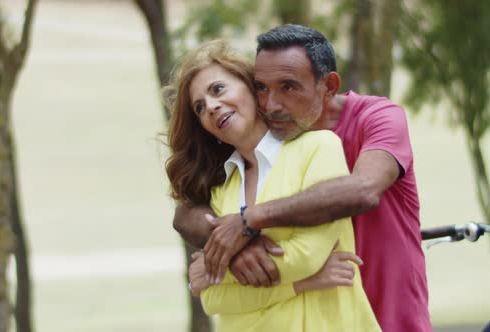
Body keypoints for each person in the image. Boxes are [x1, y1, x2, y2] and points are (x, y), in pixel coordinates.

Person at [173, 25, 432, 332]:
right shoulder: (233, 172)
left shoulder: (370, 121)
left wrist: (246, 225)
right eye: (262, 88)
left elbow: (361, 191)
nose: (271, 103)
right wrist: (236, 254)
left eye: (288, 87)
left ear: (328, 86)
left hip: (388, 312)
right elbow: (187, 217)